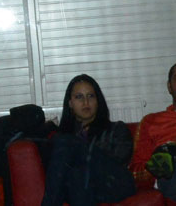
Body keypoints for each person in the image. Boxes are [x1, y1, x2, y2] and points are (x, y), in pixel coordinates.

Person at [39, 75, 135, 206]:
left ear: (98, 101)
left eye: (90, 96)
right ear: (70, 103)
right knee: (76, 174)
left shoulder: (117, 128)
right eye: (79, 97)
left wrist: (80, 150)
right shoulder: (62, 137)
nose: (85, 102)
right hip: (80, 185)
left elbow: (118, 161)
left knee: (67, 144)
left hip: (114, 183)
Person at [129, 61, 176, 205]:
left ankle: (171, 149)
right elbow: (134, 172)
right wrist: (156, 169)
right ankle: (170, 153)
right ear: (169, 86)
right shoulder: (151, 121)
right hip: (175, 178)